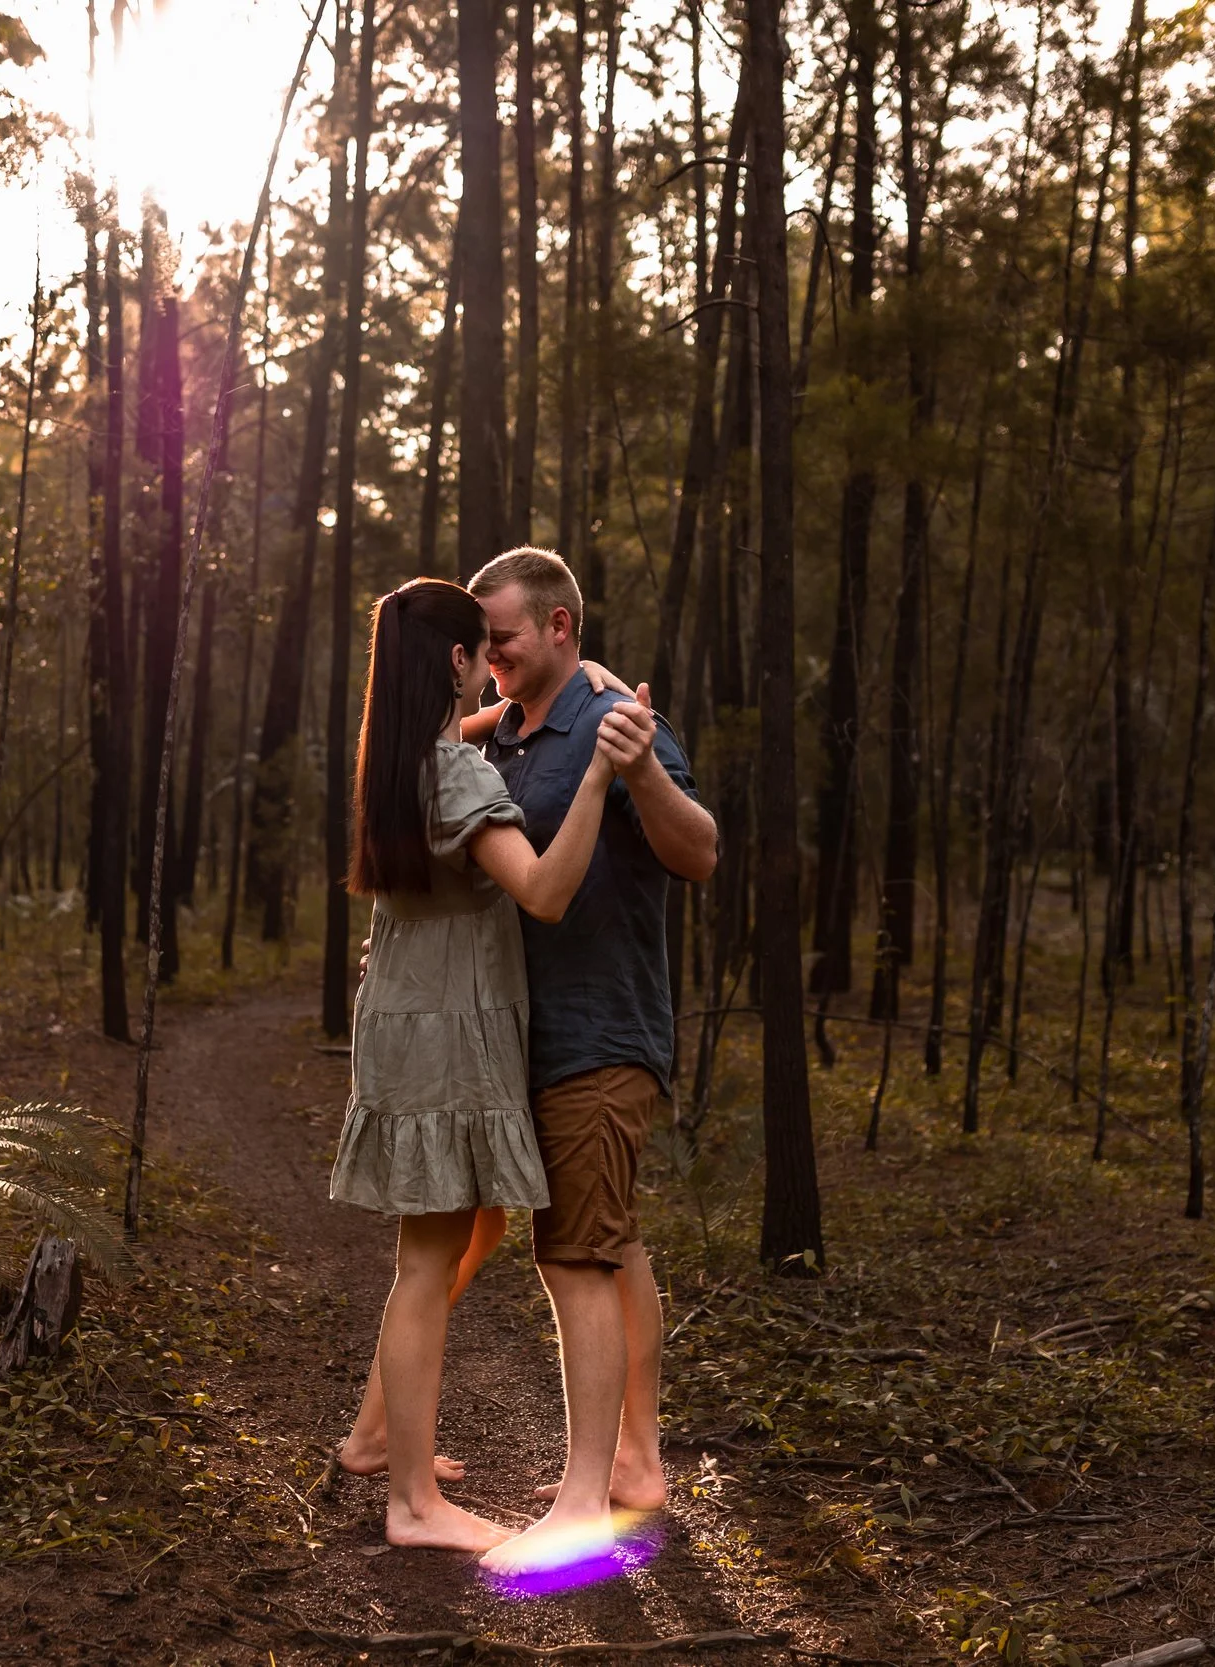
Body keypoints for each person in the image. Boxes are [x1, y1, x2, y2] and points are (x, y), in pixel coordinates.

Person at [327, 577, 623, 1552]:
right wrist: (592, 778)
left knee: (464, 1231)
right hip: (446, 1035)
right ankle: (413, 1501)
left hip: (405, 1023)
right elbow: (538, 889)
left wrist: (540, 701)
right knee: (424, 1261)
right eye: (481, 651)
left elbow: (471, 726)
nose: (493, 663)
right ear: (454, 661)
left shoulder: (404, 760)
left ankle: (382, 1443)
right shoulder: (458, 778)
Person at [461, 548, 717, 1575]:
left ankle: (582, 1503)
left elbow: (697, 850)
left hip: (601, 1034)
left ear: (560, 625)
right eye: (480, 644)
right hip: (528, 1036)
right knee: (611, 1242)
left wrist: (642, 762)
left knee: (572, 1254)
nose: (490, 659)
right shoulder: (509, 731)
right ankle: (636, 1462)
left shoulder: (618, 724)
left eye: (505, 639)